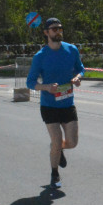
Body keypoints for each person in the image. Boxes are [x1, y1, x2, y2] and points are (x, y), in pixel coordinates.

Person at [26, 18, 84, 189]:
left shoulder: (71, 50)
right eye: (54, 29)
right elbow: (30, 82)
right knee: (57, 141)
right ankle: (54, 174)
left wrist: (77, 77)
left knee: (72, 142)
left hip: (67, 103)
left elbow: (81, 68)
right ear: (46, 33)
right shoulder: (40, 56)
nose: (58, 31)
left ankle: (57, 149)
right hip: (49, 105)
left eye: (60, 28)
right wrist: (46, 87)